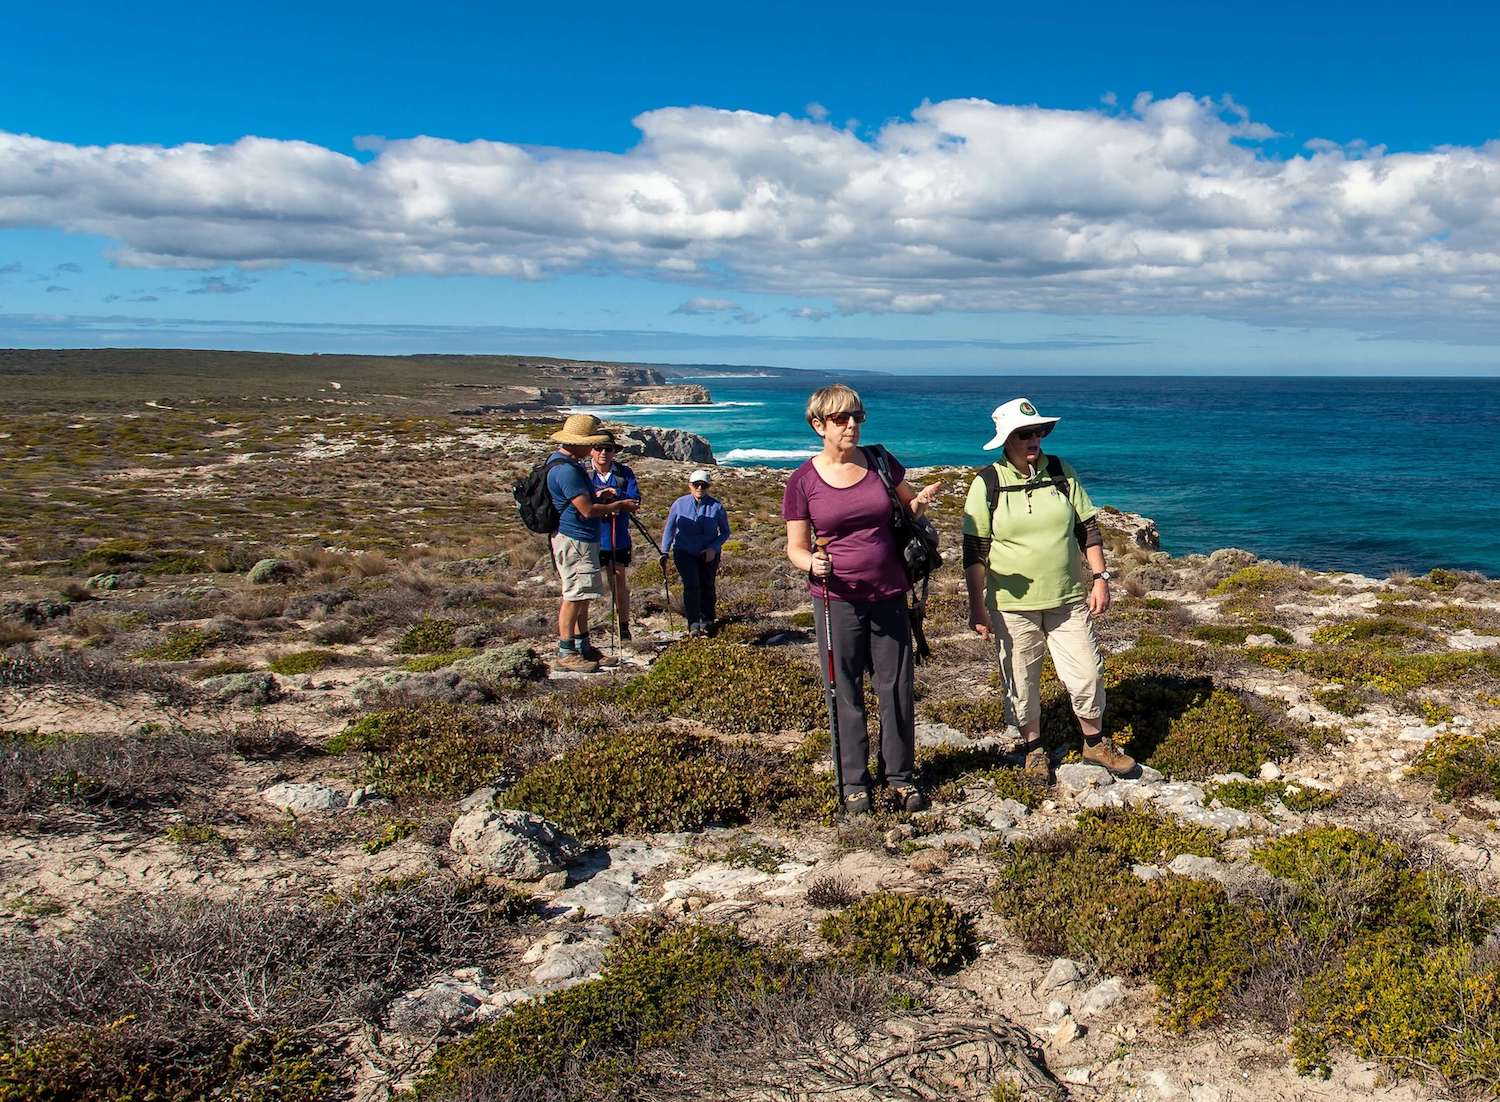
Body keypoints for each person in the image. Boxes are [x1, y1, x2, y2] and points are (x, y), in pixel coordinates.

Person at [781, 384, 942, 814]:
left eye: (857, 416)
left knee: (895, 687)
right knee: (844, 688)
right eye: (840, 419)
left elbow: (908, 509)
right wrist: (810, 564)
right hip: (837, 599)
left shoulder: (879, 461)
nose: (852, 424)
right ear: (818, 425)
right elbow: (795, 546)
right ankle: (854, 779)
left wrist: (920, 503)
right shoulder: (802, 481)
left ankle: (900, 775)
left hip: (889, 593)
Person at [961, 397, 1134, 780]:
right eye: (1024, 433)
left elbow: (1087, 528)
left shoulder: (1061, 471)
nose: (1034, 439)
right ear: (1007, 440)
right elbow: (974, 552)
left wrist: (1101, 578)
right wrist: (977, 606)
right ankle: (1033, 749)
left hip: (1069, 598)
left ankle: (1094, 744)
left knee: (1087, 672)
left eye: (1038, 431)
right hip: (1011, 604)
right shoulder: (987, 483)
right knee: (1021, 680)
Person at [544, 414, 639, 673]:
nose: (594, 449)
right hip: (575, 539)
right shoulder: (566, 469)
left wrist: (599, 495)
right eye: (593, 444)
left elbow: (579, 500)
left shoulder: (568, 464)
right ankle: (566, 651)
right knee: (574, 595)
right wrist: (618, 504)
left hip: (583, 539)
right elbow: (585, 510)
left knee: (583, 594)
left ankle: (583, 646)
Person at [661, 469, 730, 636]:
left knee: (707, 585)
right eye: (696, 484)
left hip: (709, 554)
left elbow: (725, 532)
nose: (700, 488)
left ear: (708, 487)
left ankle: (707, 620)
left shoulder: (716, 507)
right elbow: (670, 529)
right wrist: (664, 551)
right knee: (691, 586)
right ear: (690, 486)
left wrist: (713, 548)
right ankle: (693, 623)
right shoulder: (679, 504)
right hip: (684, 552)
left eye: (703, 485)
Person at [588, 431, 641, 644]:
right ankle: (581, 633)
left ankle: (623, 626)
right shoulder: (583, 474)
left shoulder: (624, 473)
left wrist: (615, 496)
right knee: (585, 588)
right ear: (591, 450)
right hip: (590, 538)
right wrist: (600, 498)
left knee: (619, 584)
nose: (603, 453)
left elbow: (634, 502)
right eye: (599, 448)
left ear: (613, 452)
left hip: (617, 538)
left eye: (607, 449)